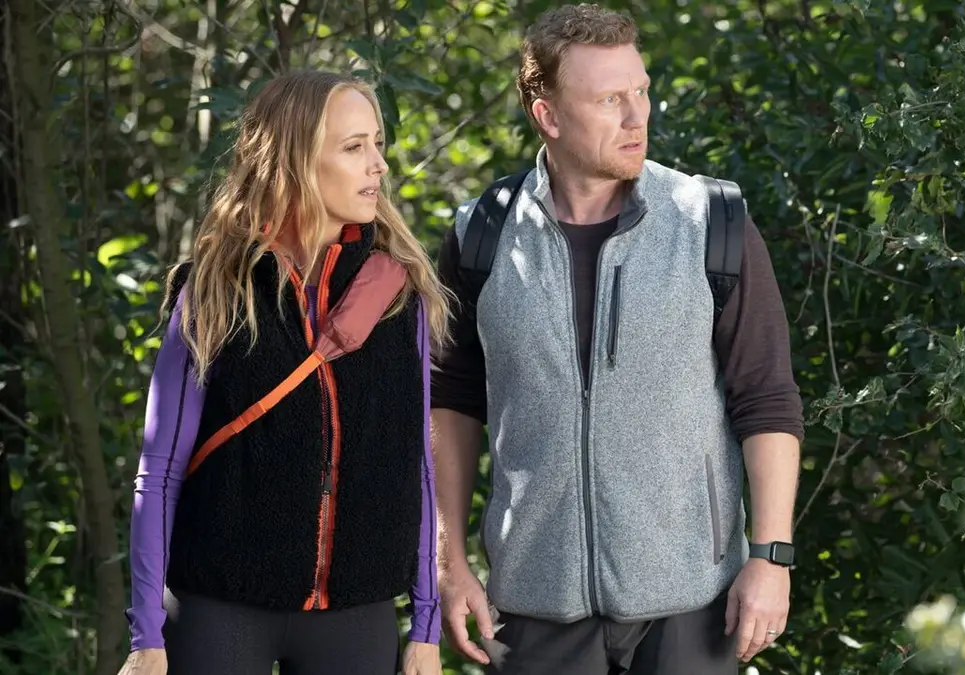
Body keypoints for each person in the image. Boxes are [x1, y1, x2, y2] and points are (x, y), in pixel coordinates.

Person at [430, 4, 805, 674]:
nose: (637, 117)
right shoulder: (480, 236)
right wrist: (449, 561)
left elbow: (767, 397)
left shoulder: (712, 223)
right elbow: (449, 403)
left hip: (694, 604)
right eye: (610, 100)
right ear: (548, 116)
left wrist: (771, 558)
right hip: (536, 607)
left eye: (641, 91)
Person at [117, 70, 447, 675]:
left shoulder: (398, 297)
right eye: (354, 147)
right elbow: (158, 471)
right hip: (219, 610)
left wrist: (426, 624)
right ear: (295, 161)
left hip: (357, 613)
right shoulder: (217, 291)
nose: (378, 165)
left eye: (377, 144)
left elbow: (416, 466)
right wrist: (146, 635)